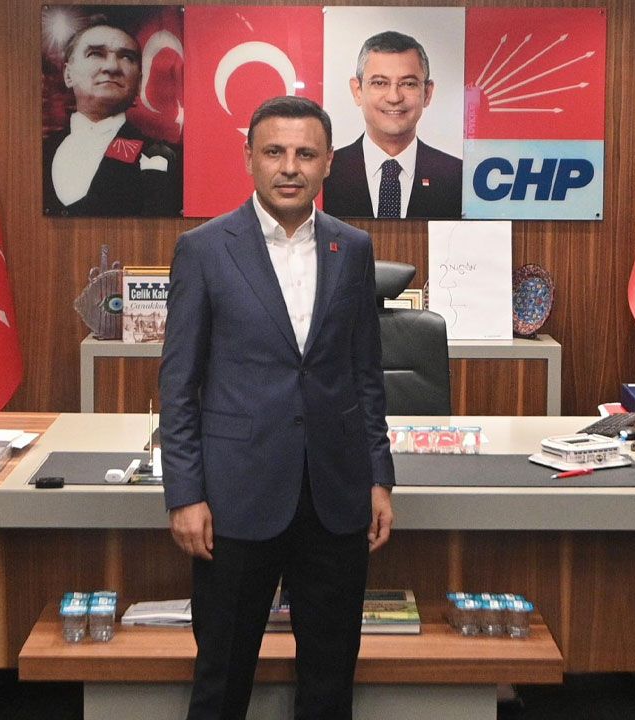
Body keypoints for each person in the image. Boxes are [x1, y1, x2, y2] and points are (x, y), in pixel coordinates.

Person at [159, 96, 395, 720]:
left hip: (334, 498)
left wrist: (378, 476)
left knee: (329, 682)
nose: (290, 167)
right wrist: (184, 493)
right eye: (274, 152)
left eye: (305, 153)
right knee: (221, 681)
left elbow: (365, 375)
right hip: (235, 500)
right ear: (249, 158)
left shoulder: (353, 248)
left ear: (328, 163)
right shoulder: (204, 249)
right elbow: (179, 385)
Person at [43, 15, 181, 216]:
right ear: (68, 74)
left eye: (127, 57)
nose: (112, 67)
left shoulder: (165, 157)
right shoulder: (38, 153)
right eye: (95, 54)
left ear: (139, 83)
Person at [323, 31, 462, 219]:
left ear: (427, 93)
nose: (394, 97)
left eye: (408, 84)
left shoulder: (457, 176)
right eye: (380, 83)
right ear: (357, 91)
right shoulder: (325, 173)